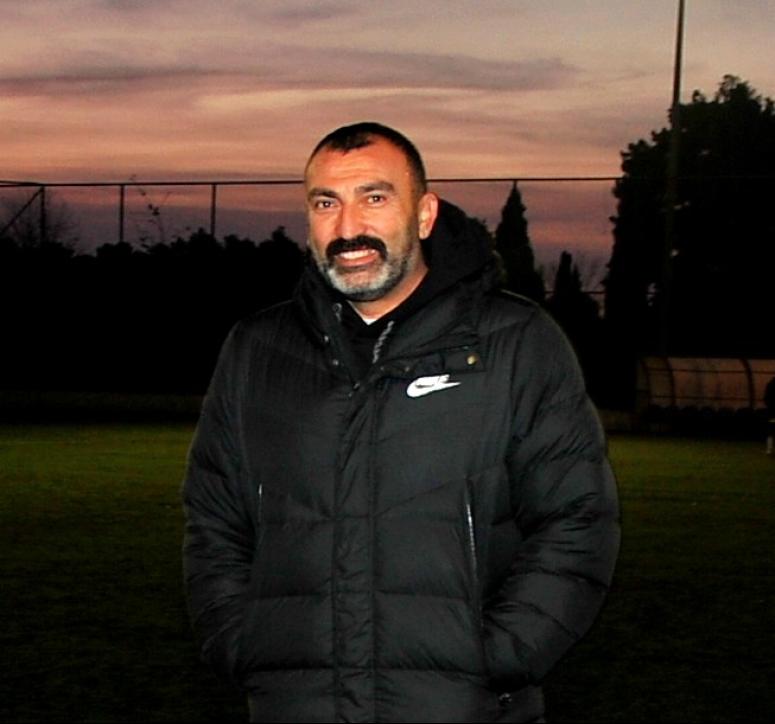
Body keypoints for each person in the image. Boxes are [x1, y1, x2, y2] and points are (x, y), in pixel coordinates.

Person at [182, 122, 620, 723]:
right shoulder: (258, 349)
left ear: (424, 214)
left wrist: (498, 655)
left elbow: (578, 518)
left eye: (374, 198)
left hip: (462, 708)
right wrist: (241, 641)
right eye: (326, 203)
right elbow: (214, 519)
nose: (348, 227)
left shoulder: (514, 343)